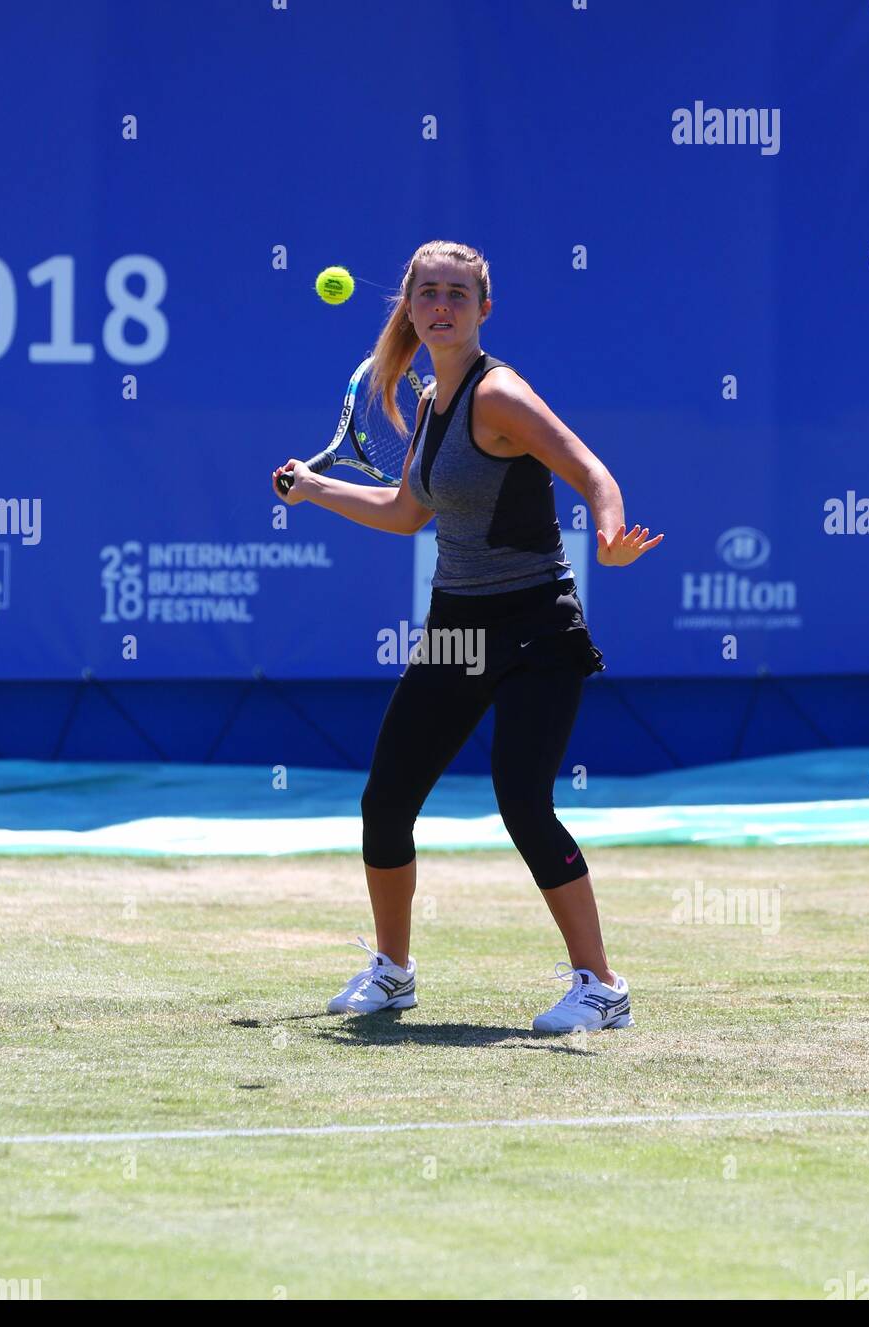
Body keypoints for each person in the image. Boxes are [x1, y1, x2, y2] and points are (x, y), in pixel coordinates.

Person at [272, 240, 663, 1033]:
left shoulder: (499, 395)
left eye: (457, 294)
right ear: (408, 309)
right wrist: (319, 489)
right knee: (386, 800)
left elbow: (590, 470)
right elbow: (405, 513)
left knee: (522, 800)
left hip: (534, 624)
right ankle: (393, 972)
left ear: (484, 309)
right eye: (427, 294)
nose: (441, 306)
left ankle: (601, 986)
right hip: (457, 626)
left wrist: (611, 532)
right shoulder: (427, 404)